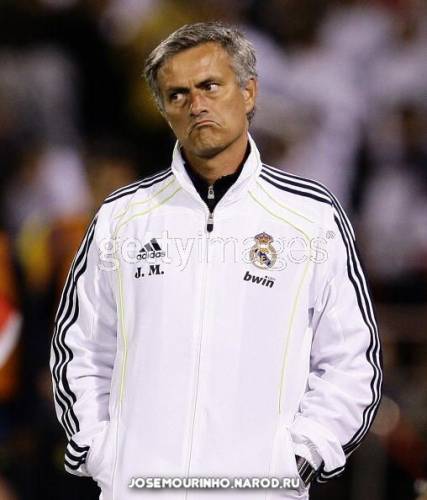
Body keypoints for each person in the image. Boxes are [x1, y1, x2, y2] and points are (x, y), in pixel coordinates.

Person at [50, 22, 382, 500]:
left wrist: (299, 459)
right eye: (177, 94)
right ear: (164, 111)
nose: (196, 104)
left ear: (249, 93)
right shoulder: (123, 218)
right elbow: (80, 350)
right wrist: (105, 455)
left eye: (210, 86)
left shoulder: (311, 218)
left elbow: (352, 360)